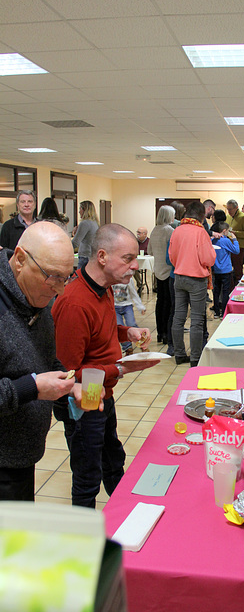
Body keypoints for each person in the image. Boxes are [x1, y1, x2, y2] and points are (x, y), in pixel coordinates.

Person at [52, 224, 158, 508]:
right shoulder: (75, 302)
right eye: (127, 259)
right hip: (83, 398)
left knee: (112, 458)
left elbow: (100, 333)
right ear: (101, 256)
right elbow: (66, 375)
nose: (135, 266)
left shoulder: (103, 287)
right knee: (88, 474)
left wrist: (127, 333)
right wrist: (121, 369)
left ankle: (125, 516)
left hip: (102, 392)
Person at [0, 222, 83, 501]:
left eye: (66, 278)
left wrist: (69, 385)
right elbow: (30, 381)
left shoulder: (35, 297)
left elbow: (43, 358)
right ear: (20, 259)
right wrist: (32, 388)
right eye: (53, 277)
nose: (59, 290)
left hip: (21, 456)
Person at [169, 201, 216, 366]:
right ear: (201, 216)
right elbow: (208, 259)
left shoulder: (177, 230)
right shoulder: (200, 232)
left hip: (179, 277)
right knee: (197, 319)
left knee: (178, 316)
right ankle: (195, 358)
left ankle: (179, 354)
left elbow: (172, 257)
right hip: (196, 279)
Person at [148, 205, 175, 344]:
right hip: (168, 270)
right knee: (169, 302)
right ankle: (166, 333)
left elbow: (150, 251)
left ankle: (160, 332)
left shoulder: (154, 230)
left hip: (157, 270)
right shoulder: (169, 231)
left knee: (160, 301)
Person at [212, 222, 240, 318]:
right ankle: (224, 311)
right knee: (225, 291)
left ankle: (216, 311)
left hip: (216, 269)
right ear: (224, 231)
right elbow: (236, 250)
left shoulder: (213, 240)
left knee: (216, 290)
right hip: (226, 270)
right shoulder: (226, 241)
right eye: (228, 231)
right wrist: (235, 239)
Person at [113, 281, 146, 356]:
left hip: (127, 306)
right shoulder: (110, 278)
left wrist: (140, 306)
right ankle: (128, 348)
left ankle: (142, 343)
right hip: (114, 307)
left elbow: (133, 292)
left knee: (131, 324)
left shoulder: (127, 278)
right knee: (119, 327)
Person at [225, 199, 244, 286]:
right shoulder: (228, 217)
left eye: (230, 209)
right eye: (227, 209)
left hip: (239, 247)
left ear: (236, 208)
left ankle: (239, 288)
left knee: (238, 270)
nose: (229, 211)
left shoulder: (243, 217)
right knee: (228, 270)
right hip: (228, 247)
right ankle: (231, 288)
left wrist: (235, 233)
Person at [72, 200, 99, 270]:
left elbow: (75, 242)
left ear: (84, 210)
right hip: (91, 255)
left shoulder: (85, 223)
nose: (79, 212)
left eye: (80, 209)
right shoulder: (94, 223)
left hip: (85, 256)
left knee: (79, 278)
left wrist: (65, 250)